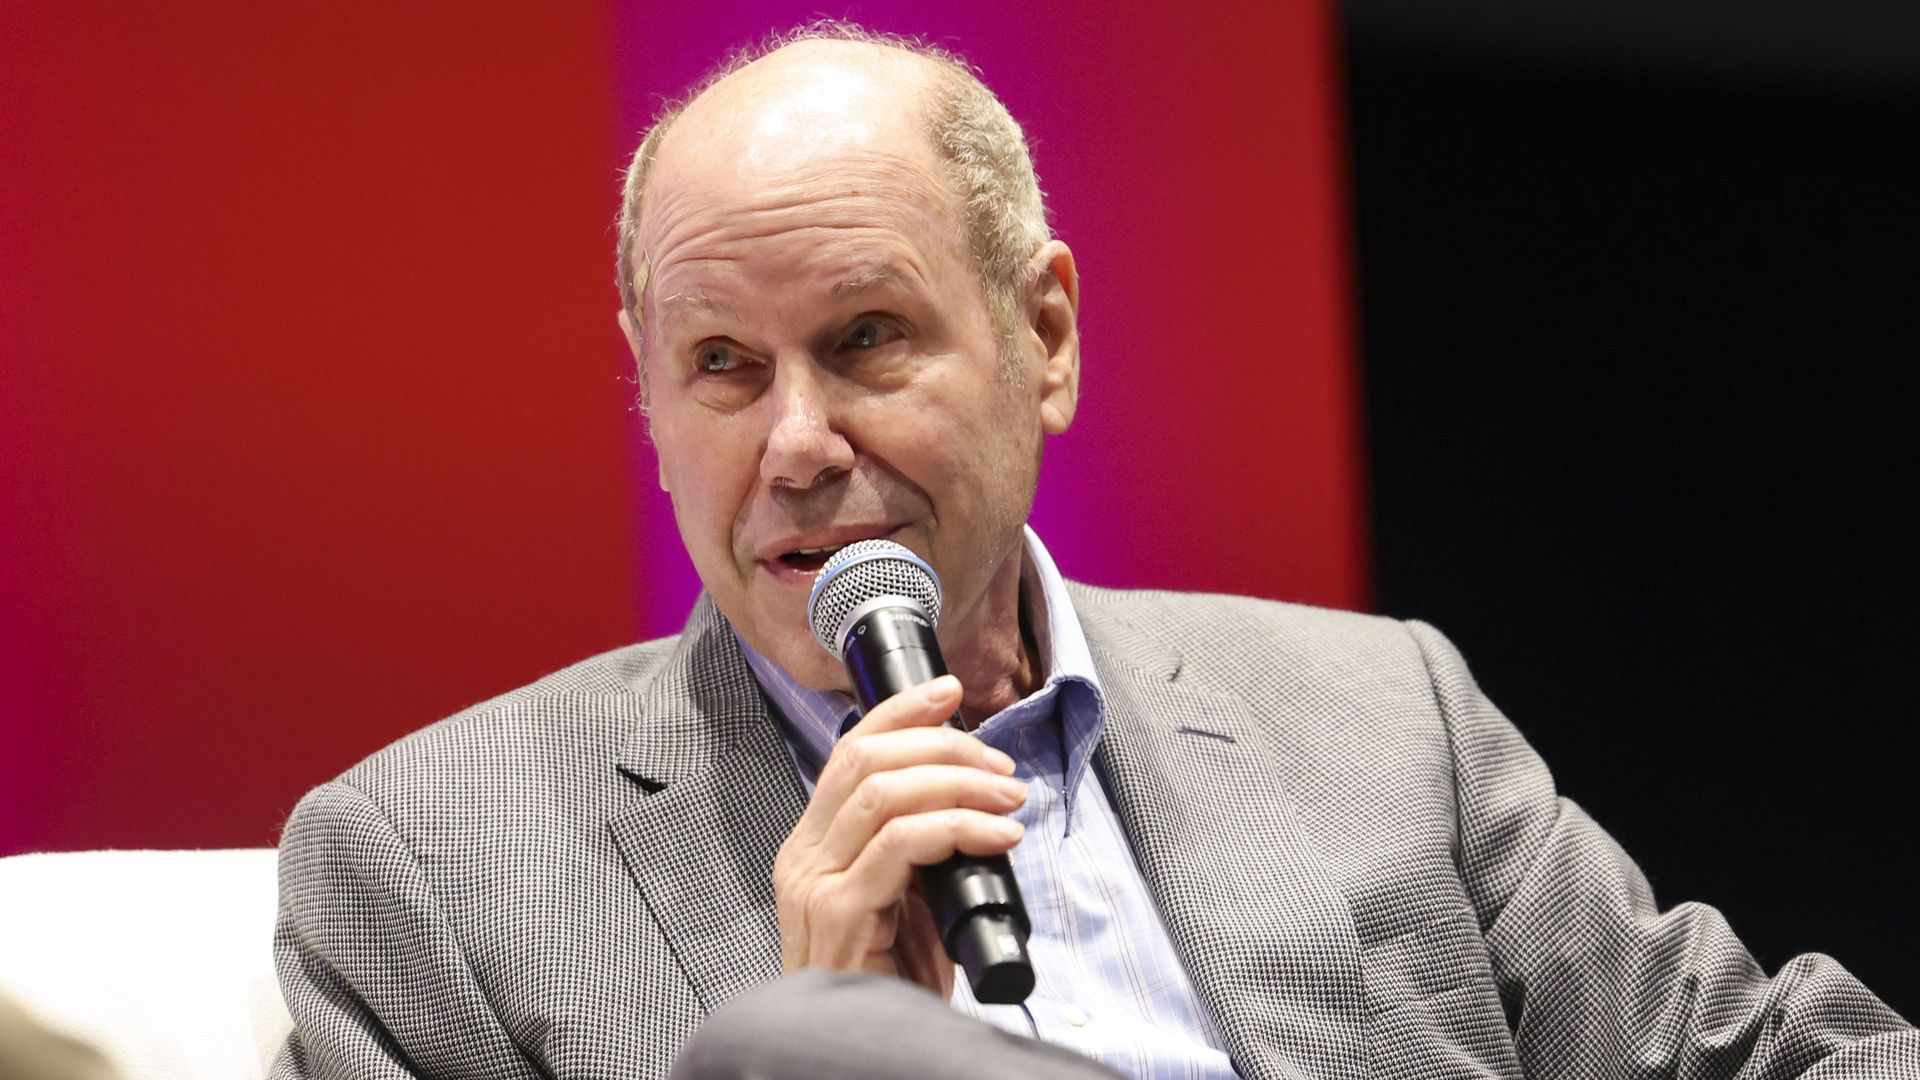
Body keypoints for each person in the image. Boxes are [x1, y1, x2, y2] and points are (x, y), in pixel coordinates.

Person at [270, 23, 1916, 1080]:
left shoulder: (1378, 715)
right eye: (721, 368)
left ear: (1042, 337)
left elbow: (1764, 1057)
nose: (793, 443)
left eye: (864, 338)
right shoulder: (430, 873)